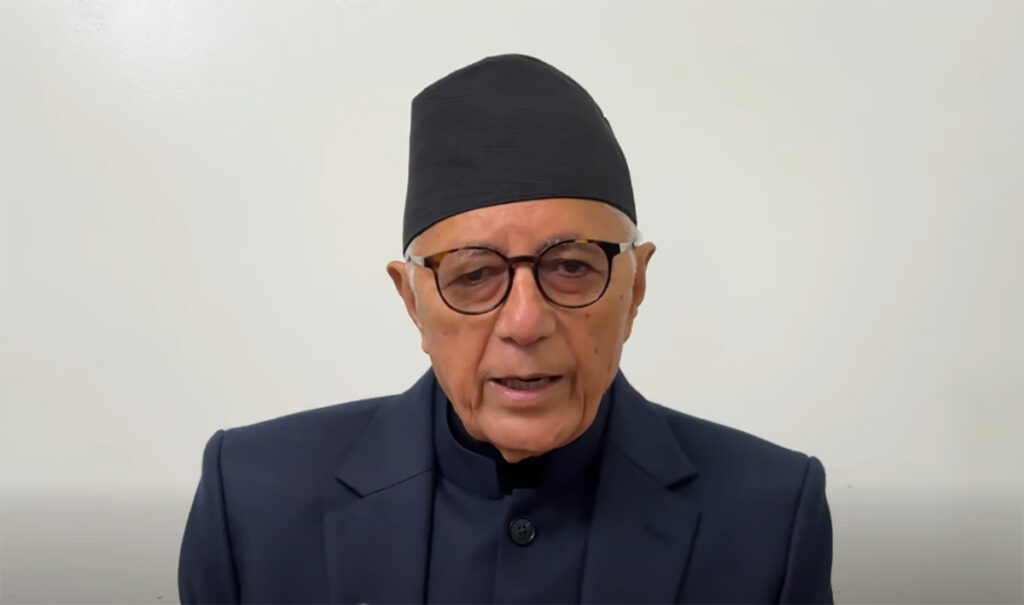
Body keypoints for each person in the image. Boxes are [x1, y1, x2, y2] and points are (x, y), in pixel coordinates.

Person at [178, 53, 834, 604]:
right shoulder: (253, 501)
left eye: (572, 267)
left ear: (635, 288)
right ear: (413, 301)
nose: (524, 323)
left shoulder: (771, 515)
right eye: (474, 275)